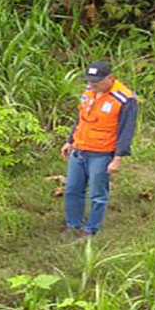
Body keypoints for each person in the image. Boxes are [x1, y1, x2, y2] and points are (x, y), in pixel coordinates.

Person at [60, 61, 138, 240]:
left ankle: (91, 229)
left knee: (98, 193)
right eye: (90, 81)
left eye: (97, 82)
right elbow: (81, 119)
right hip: (79, 149)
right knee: (72, 189)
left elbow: (126, 130)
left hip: (101, 154)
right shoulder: (89, 92)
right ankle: (73, 225)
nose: (92, 85)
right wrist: (70, 140)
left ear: (110, 78)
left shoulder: (125, 99)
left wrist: (118, 157)